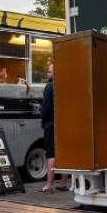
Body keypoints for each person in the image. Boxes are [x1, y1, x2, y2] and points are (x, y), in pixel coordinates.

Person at [40, 63, 68, 192]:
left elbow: (46, 107)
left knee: (51, 154)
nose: (48, 74)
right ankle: (63, 183)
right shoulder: (65, 86)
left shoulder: (49, 87)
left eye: (50, 72)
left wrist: (43, 119)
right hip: (63, 123)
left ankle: (49, 184)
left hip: (51, 123)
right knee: (63, 154)